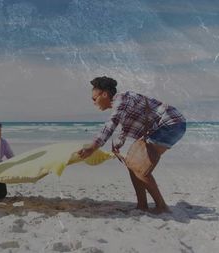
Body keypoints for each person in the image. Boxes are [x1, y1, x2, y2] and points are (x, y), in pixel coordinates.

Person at [76, 76, 186, 214]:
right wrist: (117, 144)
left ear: (104, 94)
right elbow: (124, 127)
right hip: (165, 127)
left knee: (140, 169)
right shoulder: (122, 103)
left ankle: (162, 206)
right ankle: (142, 205)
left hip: (171, 124)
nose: (93, 102)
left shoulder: (121, 99)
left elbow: (111, 124)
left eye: (94, 98)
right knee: (131, 164)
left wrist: (92, 147)